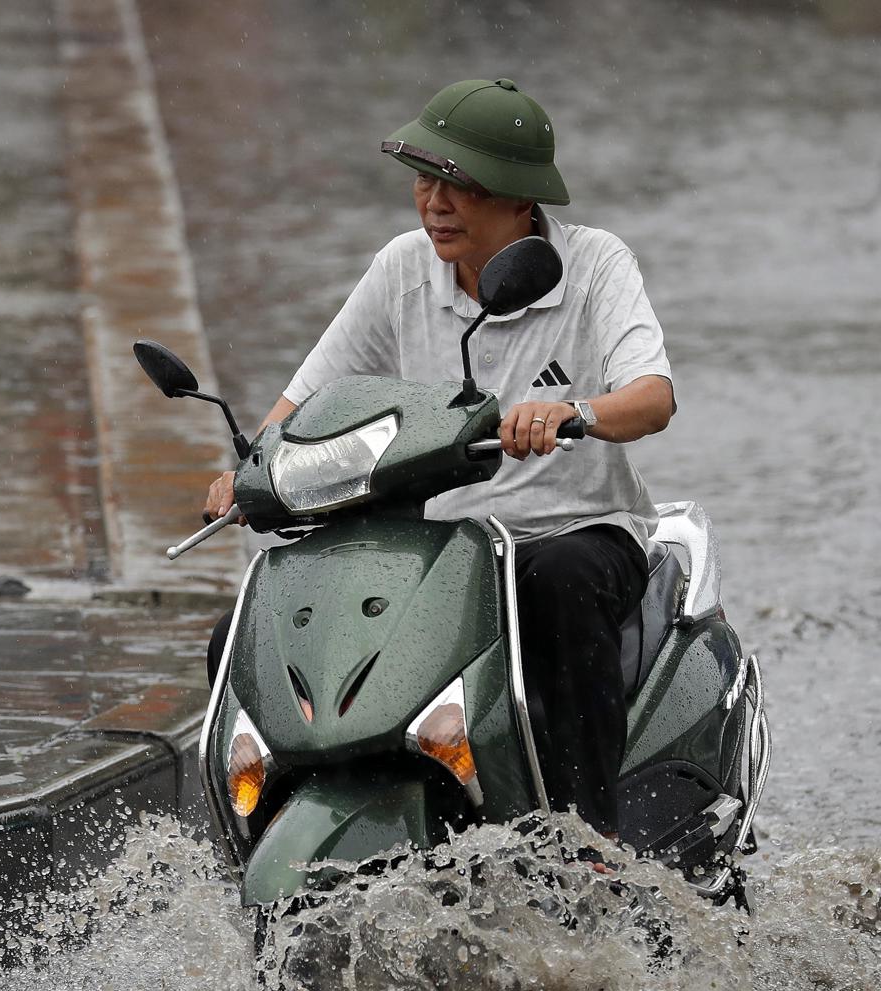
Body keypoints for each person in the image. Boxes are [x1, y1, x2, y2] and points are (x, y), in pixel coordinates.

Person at [204, 78, 674, 838]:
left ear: (522, 199)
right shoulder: (401, 268)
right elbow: (309, 393)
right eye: (425, 181)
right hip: (443, 549)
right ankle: (251, 831)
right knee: (244, 633)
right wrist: (251, 469)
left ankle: (591, 839)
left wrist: (573, 411)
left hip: (574, 533)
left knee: (559, 586)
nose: (435, 204)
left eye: (461, 187)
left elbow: (652, 397)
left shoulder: (595, 264)